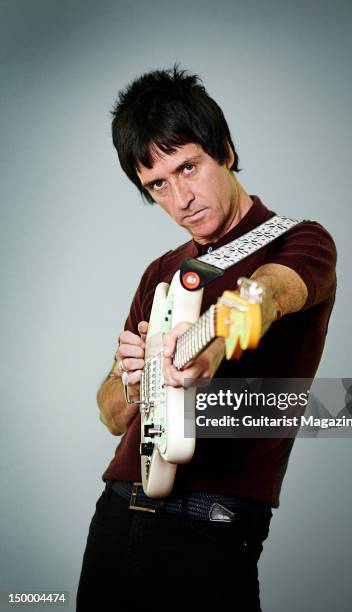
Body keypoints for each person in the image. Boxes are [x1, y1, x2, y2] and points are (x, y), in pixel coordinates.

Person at [76, 66, 337, 611]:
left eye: (188, 167)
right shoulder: (162, 273)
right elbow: (108, 414)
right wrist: (136, 378)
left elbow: (269, 295)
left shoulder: (300, 241)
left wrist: (211, 344)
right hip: (119, 512)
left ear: (227, 151)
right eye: (159, 185)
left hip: (212, 525)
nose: (181, 198)